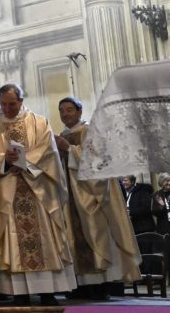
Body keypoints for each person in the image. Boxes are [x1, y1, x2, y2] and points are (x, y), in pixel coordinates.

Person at [0, 84, 76, 306]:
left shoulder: (39, 122)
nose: (8, 108)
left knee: (44, 238)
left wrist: (23, 161)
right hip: (8, 188)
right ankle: (19, 292)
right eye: (3, 104)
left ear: (21, 101)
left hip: (37, 189)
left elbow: (48, 151)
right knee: (12, 238)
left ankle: (48, 291)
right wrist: (3, 160)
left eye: (12, 104)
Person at [55, 96, 141, 300]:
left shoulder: (90, 131)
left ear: (79, 111)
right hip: (71, 196)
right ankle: (81, 286)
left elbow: (99, 162)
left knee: (96, 237)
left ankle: (101, 286)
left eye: (69, 110)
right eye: (61, 110)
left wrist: (68, 149)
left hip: (91, 195)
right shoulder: (62, 135)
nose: (65, 114)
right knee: (74, 239)